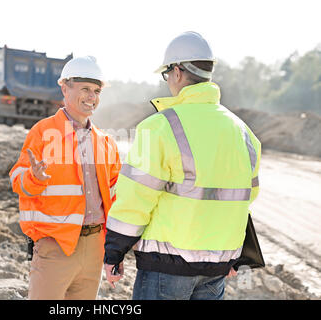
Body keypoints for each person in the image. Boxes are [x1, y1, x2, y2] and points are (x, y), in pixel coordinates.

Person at [103, 31, 261, 300]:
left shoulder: (161, 126)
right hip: (217, 269)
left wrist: (115, 251)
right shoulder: (243, 132)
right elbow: (246, 197)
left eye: (166, 75)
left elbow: (135, 198)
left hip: (167, 267)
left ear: (177, 72)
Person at [9, 56, 121, 300]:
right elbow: (17, 180)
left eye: (96, 91)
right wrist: (34, 177)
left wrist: (115, 250)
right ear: (65, 88)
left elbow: (115, 194)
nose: (91, 97)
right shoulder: (43, 132)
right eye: (84, 89)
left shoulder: (105, 142)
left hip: (94, 248)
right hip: (56, 246)